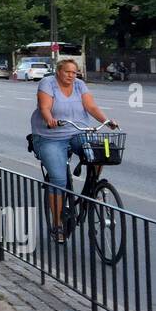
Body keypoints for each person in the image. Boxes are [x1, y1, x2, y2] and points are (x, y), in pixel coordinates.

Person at [30, 59, 118, 241]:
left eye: (74, 72)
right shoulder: (48, 83)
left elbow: (90, 106)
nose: (71, 75)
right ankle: (57, 225)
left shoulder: (79, 85)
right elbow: (44, 107)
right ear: (58, 72)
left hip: (78, 132)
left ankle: (92, 188)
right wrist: (49, 119)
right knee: (59, 179)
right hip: (51, 136)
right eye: (67, 72)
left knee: (100, 153)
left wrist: (106, 120)